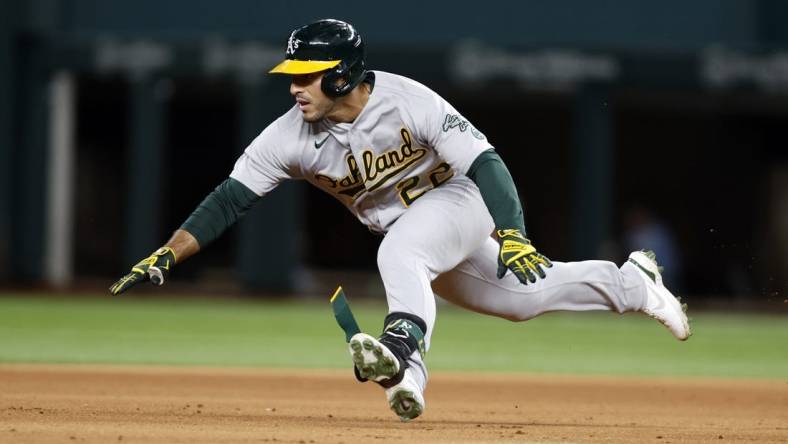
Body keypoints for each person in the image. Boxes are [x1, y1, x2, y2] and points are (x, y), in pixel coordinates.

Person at [110, 19, 691, 422]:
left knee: (400, 254)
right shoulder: (288, 135)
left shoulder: (410, 100)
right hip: (411, 229)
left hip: (459, 200)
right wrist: (169, 253)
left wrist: (512, 231)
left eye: (306, 74)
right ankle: (633, 283)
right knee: (522, 301)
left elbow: (485, 162)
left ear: (341, 73)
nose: (294, 85)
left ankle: (405, 355)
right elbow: (229, 199)